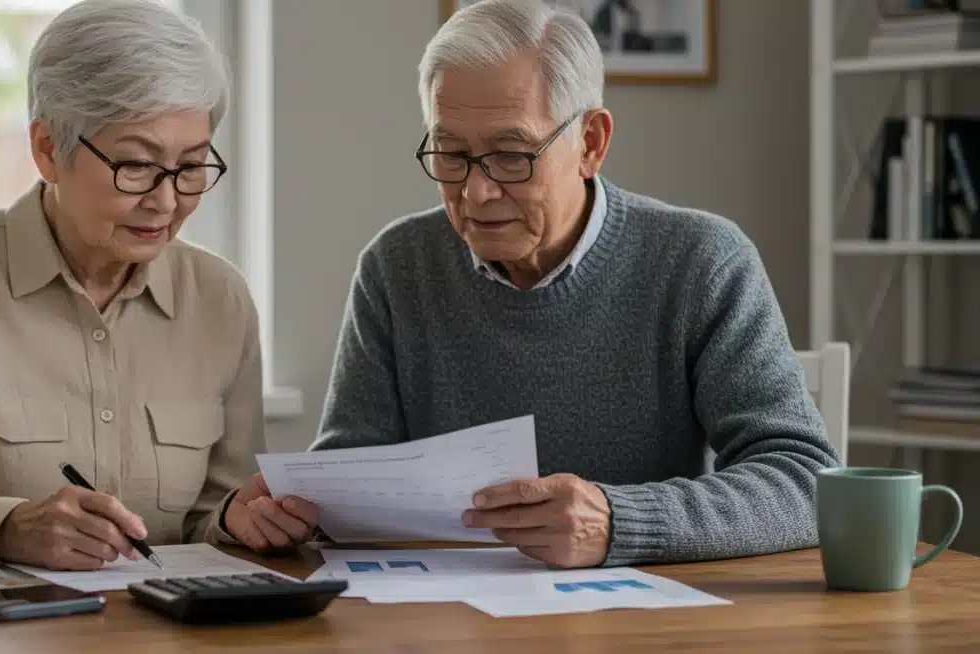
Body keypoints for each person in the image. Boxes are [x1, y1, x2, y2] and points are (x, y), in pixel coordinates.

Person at [305, 0, 842, 569]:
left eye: (511, 156)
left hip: (657, 621)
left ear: (590, 143)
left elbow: (807, 481)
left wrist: (618, 522)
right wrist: (288, 509)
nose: (477, 192)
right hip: (448, 620)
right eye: (452, 154)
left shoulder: (701, 261)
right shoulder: (397, 266)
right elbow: (346, 483)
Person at [0, 0, 316, 571]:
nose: (166, 201)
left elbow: (212, 519)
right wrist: (3, 530)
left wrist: (236, 522)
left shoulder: (220, 299)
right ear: (47, 149)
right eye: (136, 166)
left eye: (192, 166)